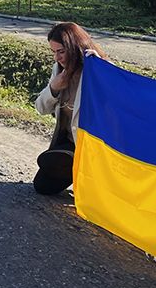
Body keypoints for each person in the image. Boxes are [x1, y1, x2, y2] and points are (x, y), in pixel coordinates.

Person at [32, 22, 107, 195]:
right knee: (43, 186)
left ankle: (87, 176)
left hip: (92, 149)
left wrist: (101, 71)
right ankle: (74, 168)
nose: (56, 58)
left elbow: (117, 103)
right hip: (70, 144)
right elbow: (41, 108)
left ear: (75, 47)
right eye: (53, 52)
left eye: (61, 51)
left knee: (90, 200)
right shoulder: (59, 70)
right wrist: (53, 88)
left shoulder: (97, 70)